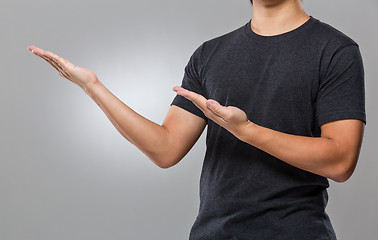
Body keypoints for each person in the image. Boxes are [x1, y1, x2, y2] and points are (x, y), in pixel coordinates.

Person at [28, 0, 366, 239]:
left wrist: (247, 131)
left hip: (295, 233)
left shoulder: (335, 50)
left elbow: (340, 161)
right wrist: (93, 87)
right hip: (212, 234)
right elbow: (165, 149)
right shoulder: (210, 54)